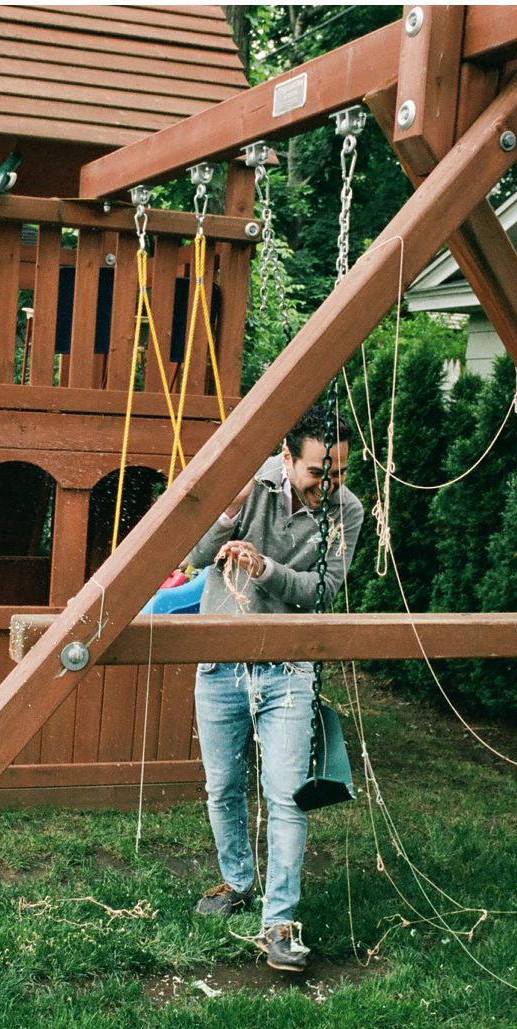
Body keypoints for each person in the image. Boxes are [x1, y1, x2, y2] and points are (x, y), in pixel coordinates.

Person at [186, 404, 363, 972]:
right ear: (286, 458)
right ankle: (236, 881)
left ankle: (279, 922)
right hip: (220, 662)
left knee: (287, 795)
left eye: (338, 473)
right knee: (223, 785)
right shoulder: (248, 482)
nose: (327, 487)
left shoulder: (347, 510)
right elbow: (190, 558)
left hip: (290, 669)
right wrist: (228, 510)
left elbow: (326, 591)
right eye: (318, 473)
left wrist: (264, 571)